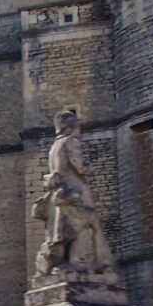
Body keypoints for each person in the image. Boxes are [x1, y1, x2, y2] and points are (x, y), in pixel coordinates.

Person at [32, 110, 115, 278]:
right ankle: (87, 265)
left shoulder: (55, 146)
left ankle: (64, 265)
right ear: (72, 126)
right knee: (85, 227)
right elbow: (79, 165)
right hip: (75, 191)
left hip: (60, 193)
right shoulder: (70, 142)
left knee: (64, 230)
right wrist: (90, 168)